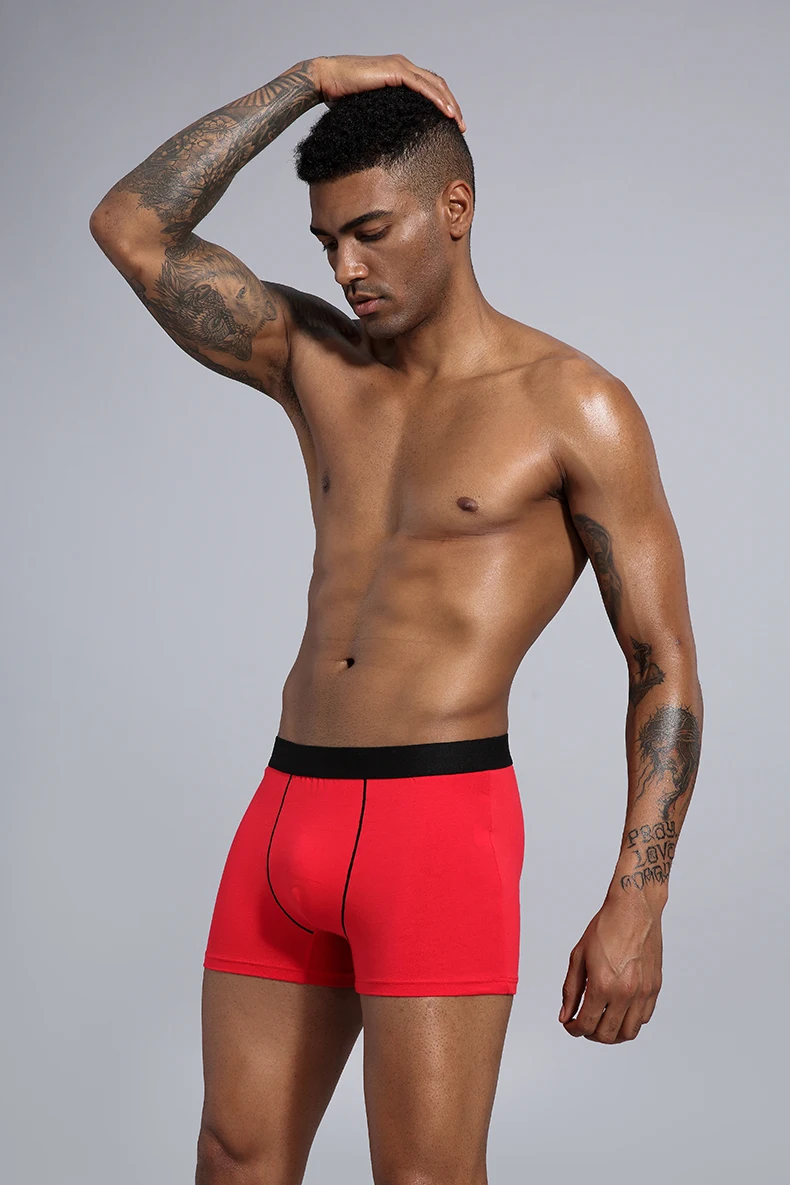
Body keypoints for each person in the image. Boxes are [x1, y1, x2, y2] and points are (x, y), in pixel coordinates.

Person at [89, 53, 703, 1185]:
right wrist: (306, 82)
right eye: (328, 242)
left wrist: (640, 894)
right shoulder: (314, 361)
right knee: (232, 1156)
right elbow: (131, 225)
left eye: (370, 232)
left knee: (423, 1177)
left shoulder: (574, 405)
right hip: (286, 812)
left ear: (454, 208)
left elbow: (660, 661)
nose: (346, 266)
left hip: (437, 827)